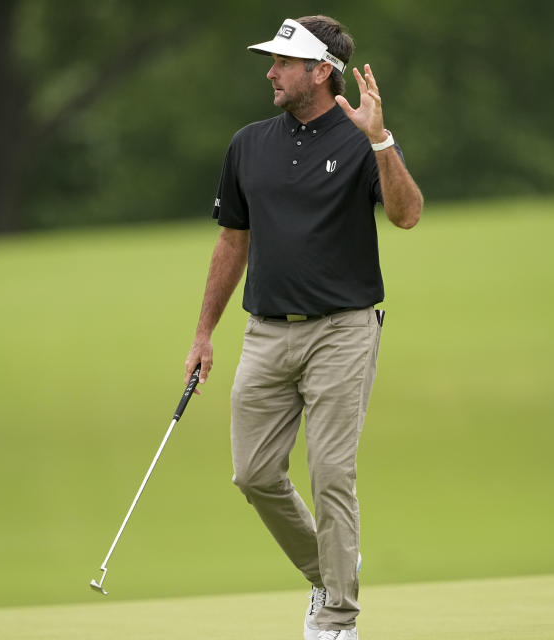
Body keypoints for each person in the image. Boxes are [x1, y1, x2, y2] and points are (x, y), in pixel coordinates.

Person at [184, 15, 423, 640]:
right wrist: (204, 333)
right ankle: (331, 569)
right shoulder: (248, 144)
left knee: (331, 474)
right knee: (254, 474)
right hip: (265, 332)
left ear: (322, 71)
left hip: (343, 330)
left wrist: (381, 141)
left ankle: (338, 619)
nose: (271, 71)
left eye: (284, 63)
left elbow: (407, 215)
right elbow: (232, 241)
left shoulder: (360, 138)